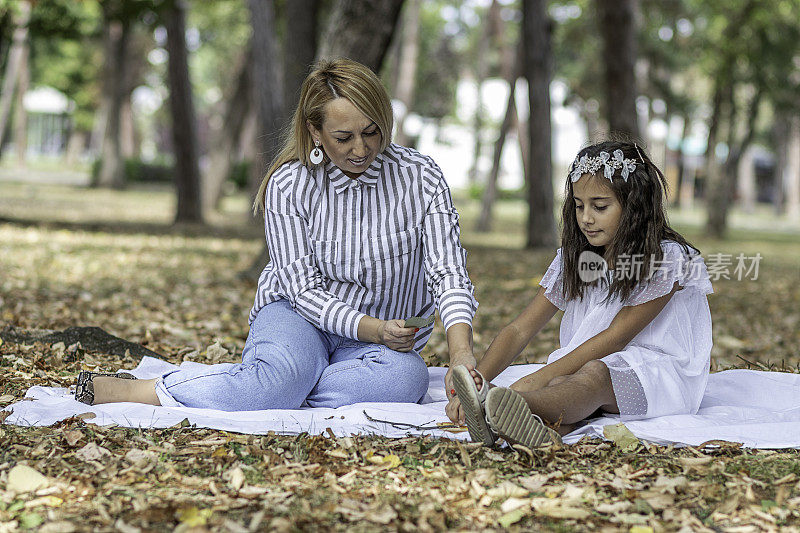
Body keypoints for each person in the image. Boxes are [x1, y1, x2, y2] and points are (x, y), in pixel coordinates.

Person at [75, 58, 478, 410]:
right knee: (283, 379)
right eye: (344, 137)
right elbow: (302, 291)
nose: (361, 148)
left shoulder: (420, 175)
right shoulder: (289, 184)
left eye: (372, 132)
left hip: (377, 346)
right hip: (300, 318)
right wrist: (375, 327)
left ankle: (276, 384)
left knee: (404, 380)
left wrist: (460, 350)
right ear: (315, 131)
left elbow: (448, 272)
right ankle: (147, 390)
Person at [448, 141, 713, 448]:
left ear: (634, 207)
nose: (586, 217)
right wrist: (477, 378)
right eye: (578, 205)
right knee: (566, 384)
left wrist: (534, 380)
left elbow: (615, 339)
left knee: (592, 376)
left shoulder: (667, 259)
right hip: (590, 365)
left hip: (661, 376)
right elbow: (520, 329)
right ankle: (532, 428)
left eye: (600, 207)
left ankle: (506, 404)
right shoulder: (576, 259)